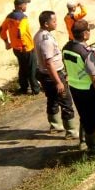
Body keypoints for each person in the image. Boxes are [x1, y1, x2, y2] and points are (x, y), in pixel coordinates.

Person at [62, 19, 95, 153]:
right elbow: (94, 78)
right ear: (85, 34)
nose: (90, 33)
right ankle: (92, 145)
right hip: (88, 90)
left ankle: (83, 141)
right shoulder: (86, 53)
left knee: (83, 114)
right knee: (93, 119)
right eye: (89, 30)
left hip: (74, 88)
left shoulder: (66, 47)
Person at [34, 10, 78, 139]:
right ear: (46, 24)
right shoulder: (46, 40)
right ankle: (70, 131)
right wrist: (58, 81)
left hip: (45, 74)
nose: (56, 23)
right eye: (54, 21)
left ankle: (55, 125)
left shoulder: (39, 34)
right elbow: (49, 63)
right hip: (53, 75)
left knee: (52, 99)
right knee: (66, 102)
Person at [0, 0, 40, 95]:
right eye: (25, 4)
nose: (26, 6)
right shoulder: (23, 18)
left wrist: (7, 42)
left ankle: (24, 88)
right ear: (21, 6)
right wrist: (24, 45)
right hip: (26, 48)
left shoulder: (9, 17)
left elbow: (1, 30)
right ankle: (36, 89)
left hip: (16, 49)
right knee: (32, 68)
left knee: (23, 67)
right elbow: (20, 32)